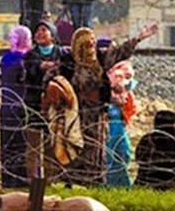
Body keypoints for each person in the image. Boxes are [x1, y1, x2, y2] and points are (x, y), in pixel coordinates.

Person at [60, 23, 157, 186]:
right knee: (78, 146)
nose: (91, 44)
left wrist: (139, 38)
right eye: (87, 41)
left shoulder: (99, 59)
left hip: (98, 114)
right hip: (77, 114)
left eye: (93, 40)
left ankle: (95, 180)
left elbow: (120, 53)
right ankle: (76, 181)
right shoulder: (69, 64)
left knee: (98, 147)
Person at [21, 21, 68, 184]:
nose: (39, 33)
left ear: (53, 35)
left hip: (55, 104)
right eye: (37, 31)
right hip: (34, 103)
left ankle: (51, 178)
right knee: (34, 143)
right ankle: (33, 179)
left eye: (44, 30)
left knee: (52, 142)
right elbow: (31, 72)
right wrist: (41, 66)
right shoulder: (30, 55)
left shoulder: (61, 53)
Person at [0, 25, 32, 188]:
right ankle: (20, 178)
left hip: (6, 105)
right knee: (21, 144)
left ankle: (8, 178)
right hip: (22, 106)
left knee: (7, 144)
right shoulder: (26, 59)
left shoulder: (5, 58)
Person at [105, 60, 137, 187]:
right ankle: (108, 184)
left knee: (123, 154)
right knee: (108, 156)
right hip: (108, 128)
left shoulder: (127, 94)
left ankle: (122, 184)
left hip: (120, 128)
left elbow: (131, 110)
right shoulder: (105, 92)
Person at [134, 110, 175, 189]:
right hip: (166, 185)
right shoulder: (171, 142)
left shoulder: (146, 138)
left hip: (142, 183)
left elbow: (138, 158)